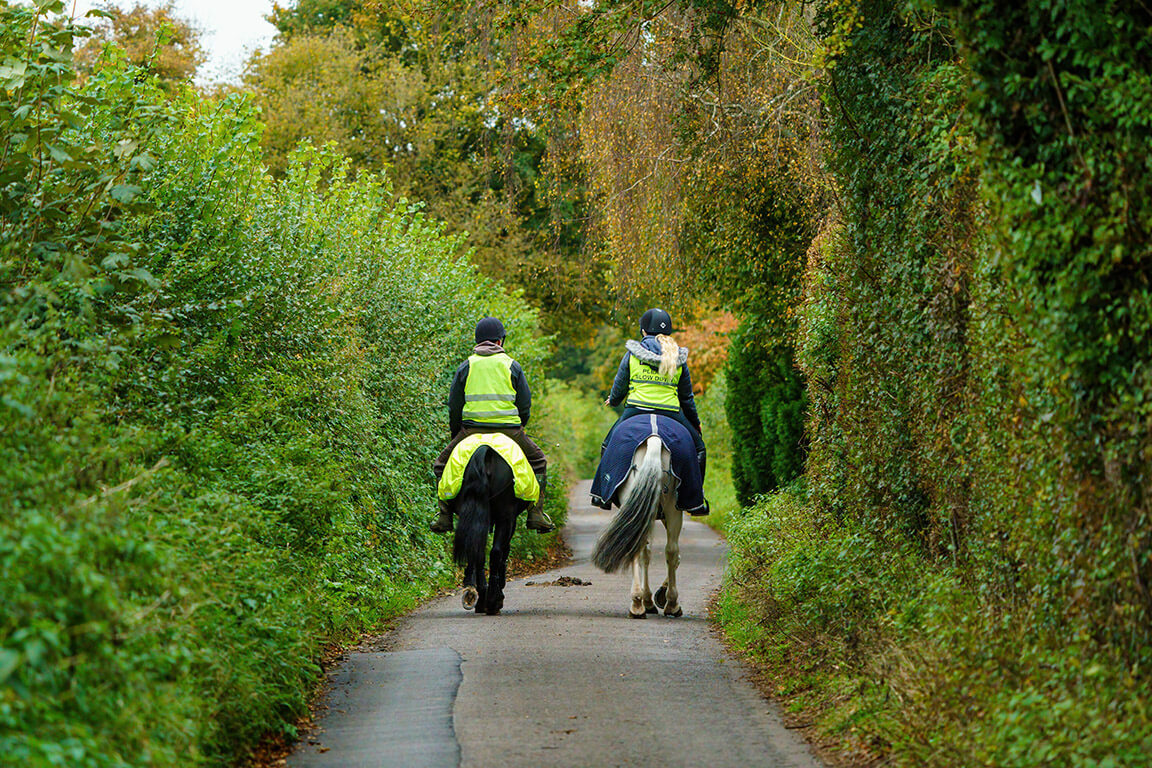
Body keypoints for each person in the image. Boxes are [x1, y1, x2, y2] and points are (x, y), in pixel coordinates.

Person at [431, 317, 554, 534]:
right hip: (509, 431)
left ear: (478, 341)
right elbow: (524, 404)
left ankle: (444, 516)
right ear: (500, 342)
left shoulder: (466, 366)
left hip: (471, 430)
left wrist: (456, 433)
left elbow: (454, 406)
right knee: (539, 461)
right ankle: (536, 514)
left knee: (441, 464)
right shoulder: (512, 366)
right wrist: (520, 427)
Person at [601, 308, 707, 483]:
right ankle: (697, 499)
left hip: (636, 410)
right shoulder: (677, 359)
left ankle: (602, 492)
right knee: (699, 449)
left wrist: (613, 400)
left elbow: (619, 387)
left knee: (608, 445)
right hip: (671, 412)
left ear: (643, 331)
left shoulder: (632, 355)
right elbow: (687, 398)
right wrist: (695, 423)